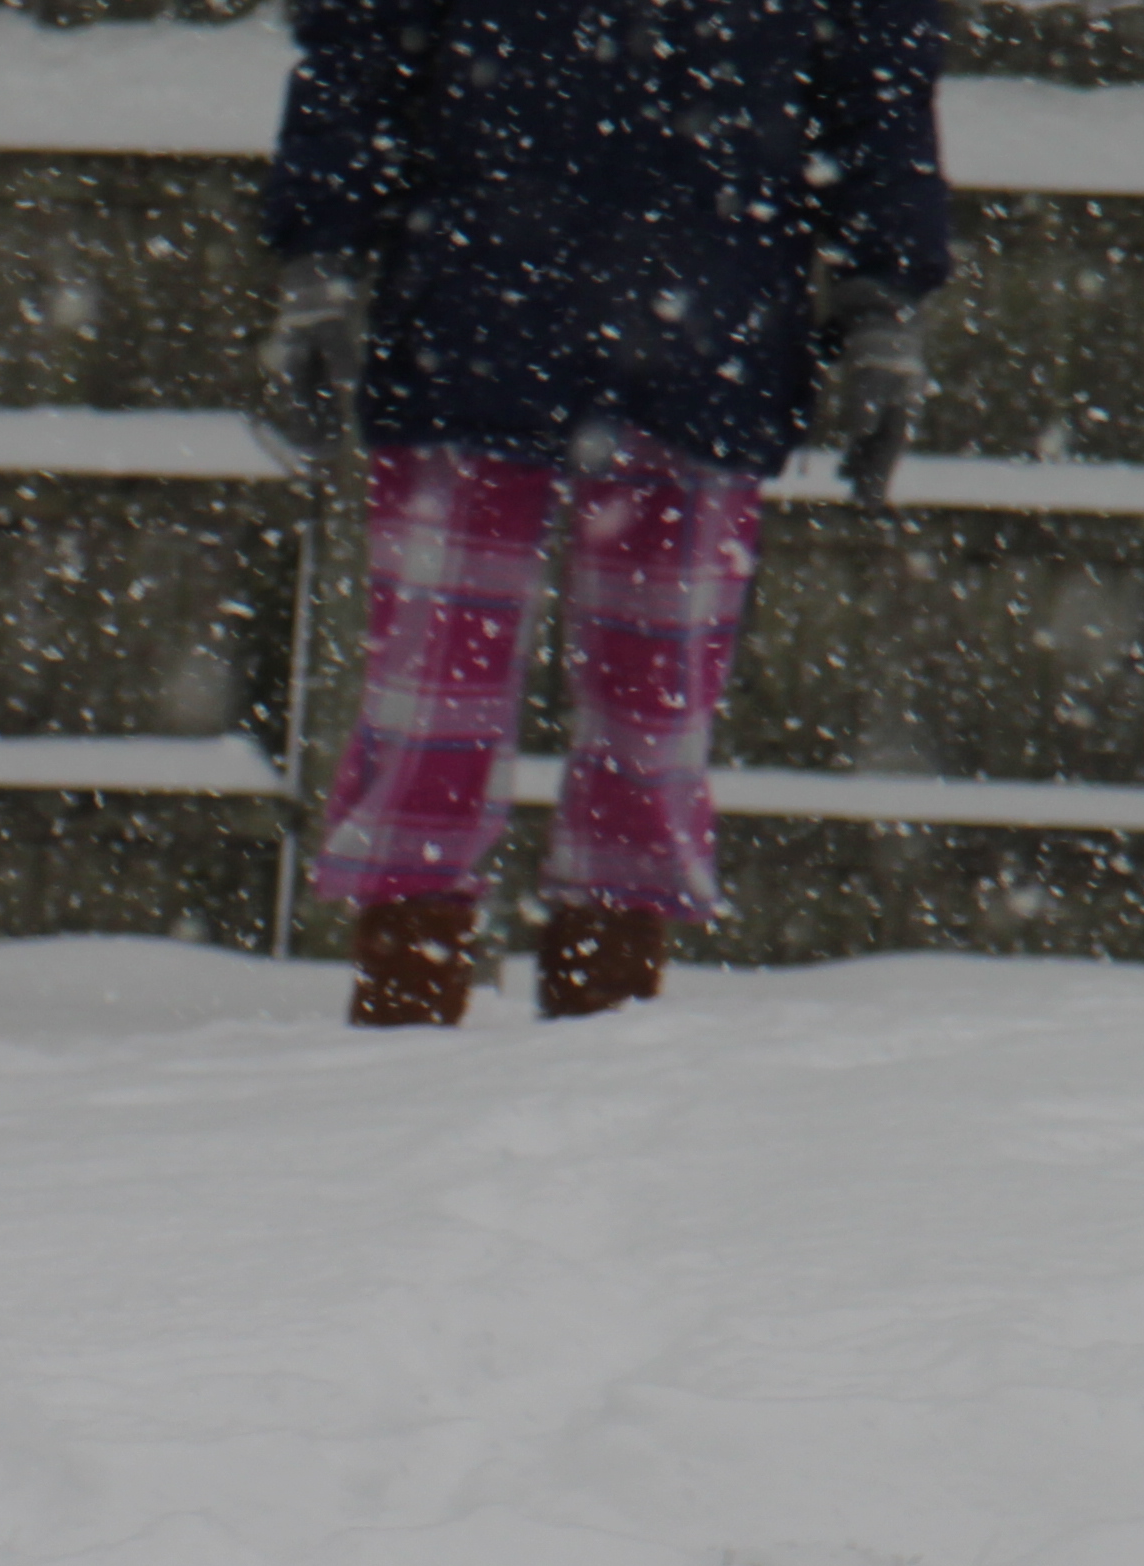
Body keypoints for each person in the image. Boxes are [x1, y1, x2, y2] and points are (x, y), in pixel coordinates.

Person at [256, 0, 952, 1024]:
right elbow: (360, 39)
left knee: (649, 721)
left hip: (682, 327)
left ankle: (605, 1024)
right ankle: (408, 1014)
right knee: (432, 711)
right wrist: (319, 260)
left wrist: (884, 300)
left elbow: (879, 77)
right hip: (495, 315)